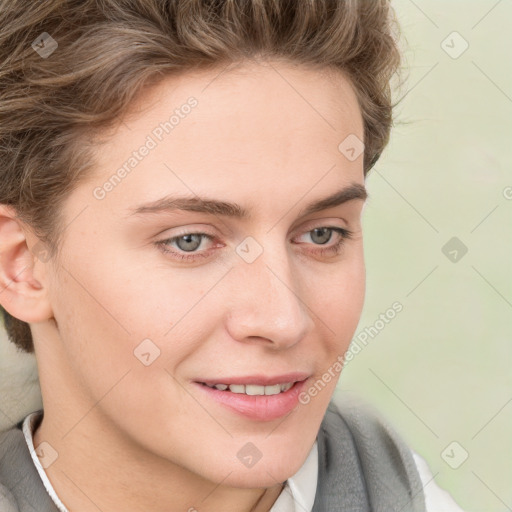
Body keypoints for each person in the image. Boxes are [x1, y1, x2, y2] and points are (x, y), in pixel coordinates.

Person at [0, 1, 465, 510]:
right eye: (189, 241)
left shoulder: (400, 485)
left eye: (322, 234)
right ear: (21, 265)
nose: (284, 320)